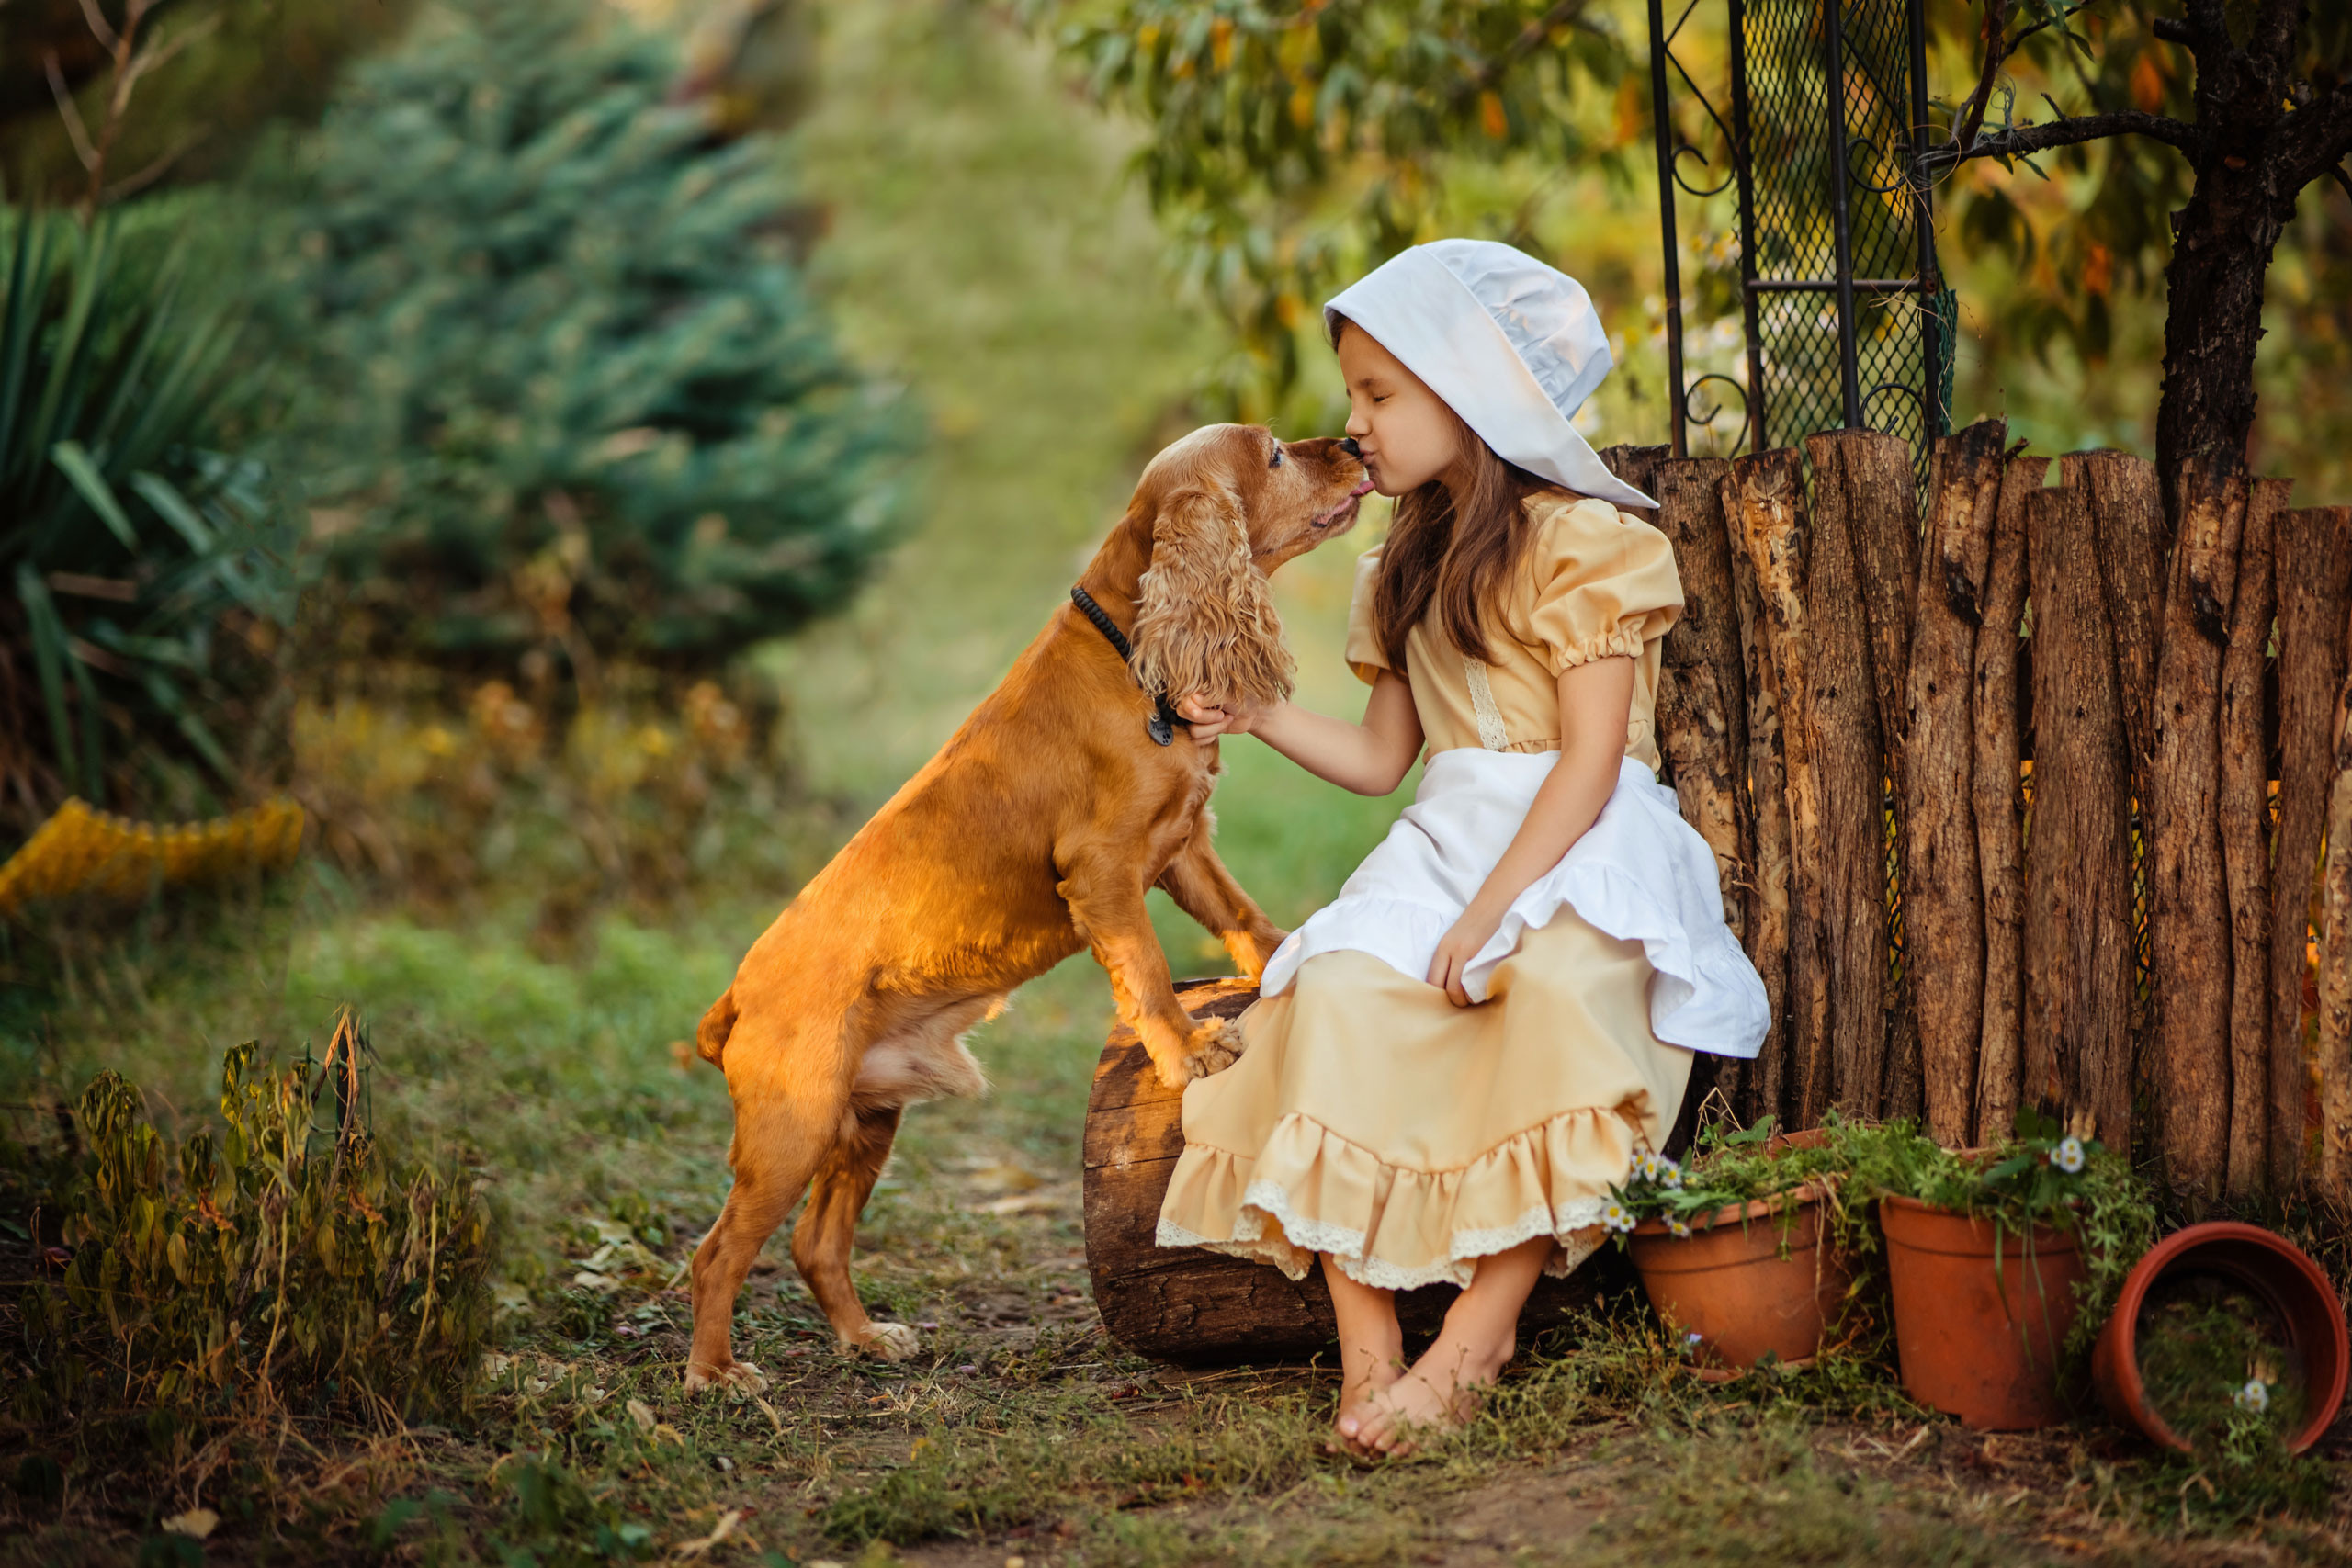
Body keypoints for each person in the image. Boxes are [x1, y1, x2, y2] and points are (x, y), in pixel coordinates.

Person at [1157, 240, 1769, 1458]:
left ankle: (1478, 1339)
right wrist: (1265, 714)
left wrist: (1493, 911)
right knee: (1329, 991)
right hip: (1448, 837)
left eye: (1382, 394)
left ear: (1473, 394)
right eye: (1355, 395)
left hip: (1577, 839)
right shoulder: (1399, 568)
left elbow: (1591, 761)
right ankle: (1369, 1346)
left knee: (1549, 993)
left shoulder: (1585, 545)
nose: (1356, 423)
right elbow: (1388, 759)